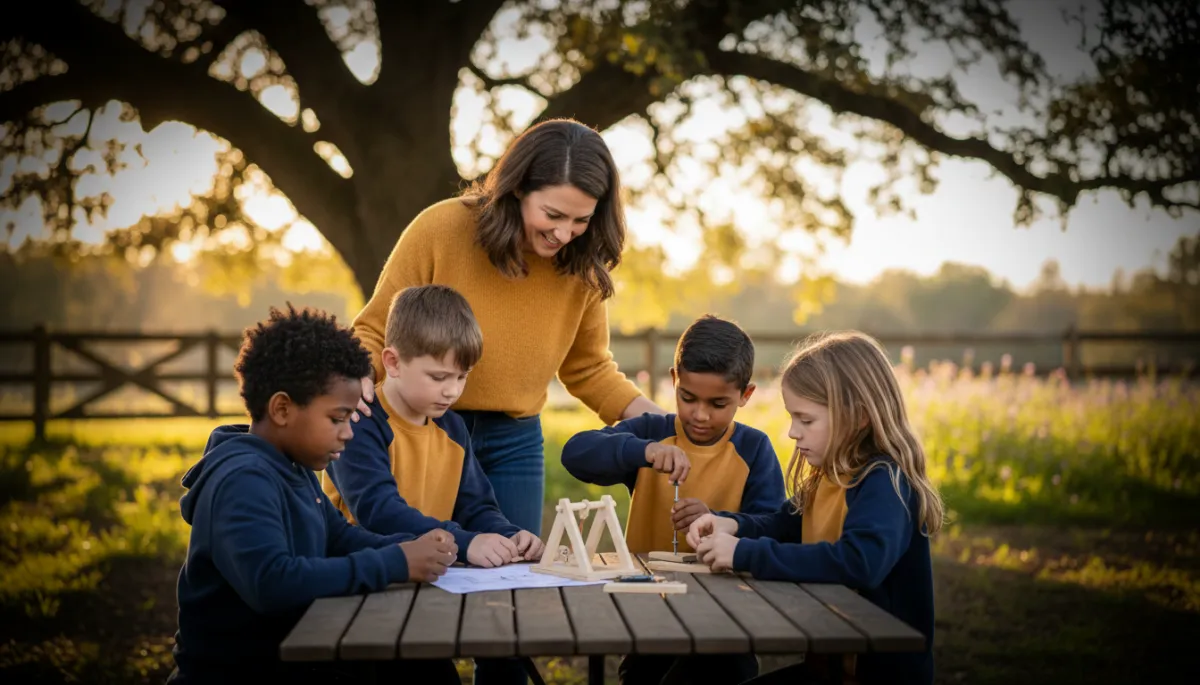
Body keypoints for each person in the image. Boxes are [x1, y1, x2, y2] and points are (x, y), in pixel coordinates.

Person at [167, 305, 460, 685]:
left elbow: (339, 537)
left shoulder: (293, 466)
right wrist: (396, 562)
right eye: (338, 419)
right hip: (244, 673)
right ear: (283, 409)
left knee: (427, 666)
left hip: (307, 650)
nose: (348, 433)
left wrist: (414, 546)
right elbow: (274, 583)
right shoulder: (243, 480)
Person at [687, 331, 944, 685]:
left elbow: (860, 563)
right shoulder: (829, 477)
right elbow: (781, 525)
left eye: (806, 420)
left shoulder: (883, 481)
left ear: (859, 416)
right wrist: (731, 526)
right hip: (828, 670)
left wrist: (744, 554)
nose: (793, 432)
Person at [561, 315, 786, 685]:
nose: (700, 414)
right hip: (649, 613)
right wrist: (642, 451)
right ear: (674, 380)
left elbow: (772, 526)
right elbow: (576, 454)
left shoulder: (754, 448)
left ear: (745, 396)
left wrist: (720, 519)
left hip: (727, 616)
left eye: (718, 403)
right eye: (688, 398)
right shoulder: (652, 432)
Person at [323, 284, 545, 568]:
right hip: (366, 574)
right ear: (393, 362)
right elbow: (379, 512)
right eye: (438, 377)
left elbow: (475, 507)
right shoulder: (360, 423)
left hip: (432, 575)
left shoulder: (452, 427)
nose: (452, 391)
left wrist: (508, 535)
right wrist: (465, 543)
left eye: (461, 376)